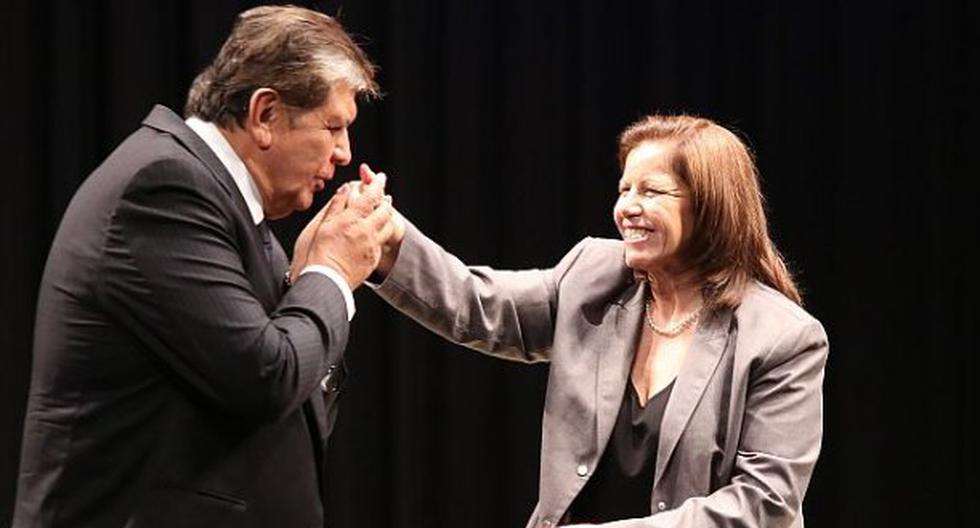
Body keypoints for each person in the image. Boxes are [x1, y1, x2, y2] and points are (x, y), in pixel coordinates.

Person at [14, 6, 393, 527]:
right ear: (265, 114)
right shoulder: (165, 189)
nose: (345, 153)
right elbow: (267, 377)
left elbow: (289, 406)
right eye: (333, 126)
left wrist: (300, 283)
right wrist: (328, 274)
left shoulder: (229, 208)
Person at [370, 114, 829, 527]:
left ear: (709, 205)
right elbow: (479, 305)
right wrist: (391, 241)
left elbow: (764, 503)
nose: (627, 207)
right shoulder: (594, 274)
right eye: (624, 189)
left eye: (650, 191)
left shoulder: (781, 337)